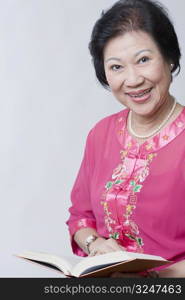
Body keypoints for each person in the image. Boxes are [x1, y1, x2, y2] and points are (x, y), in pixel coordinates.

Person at [66, 0, 185, 277]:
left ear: (169, 57)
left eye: (143, 60)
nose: (132, 80)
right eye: (117, 67)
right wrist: (95, 244)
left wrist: (158, 278)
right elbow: (80, 218)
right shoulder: (101, 134)